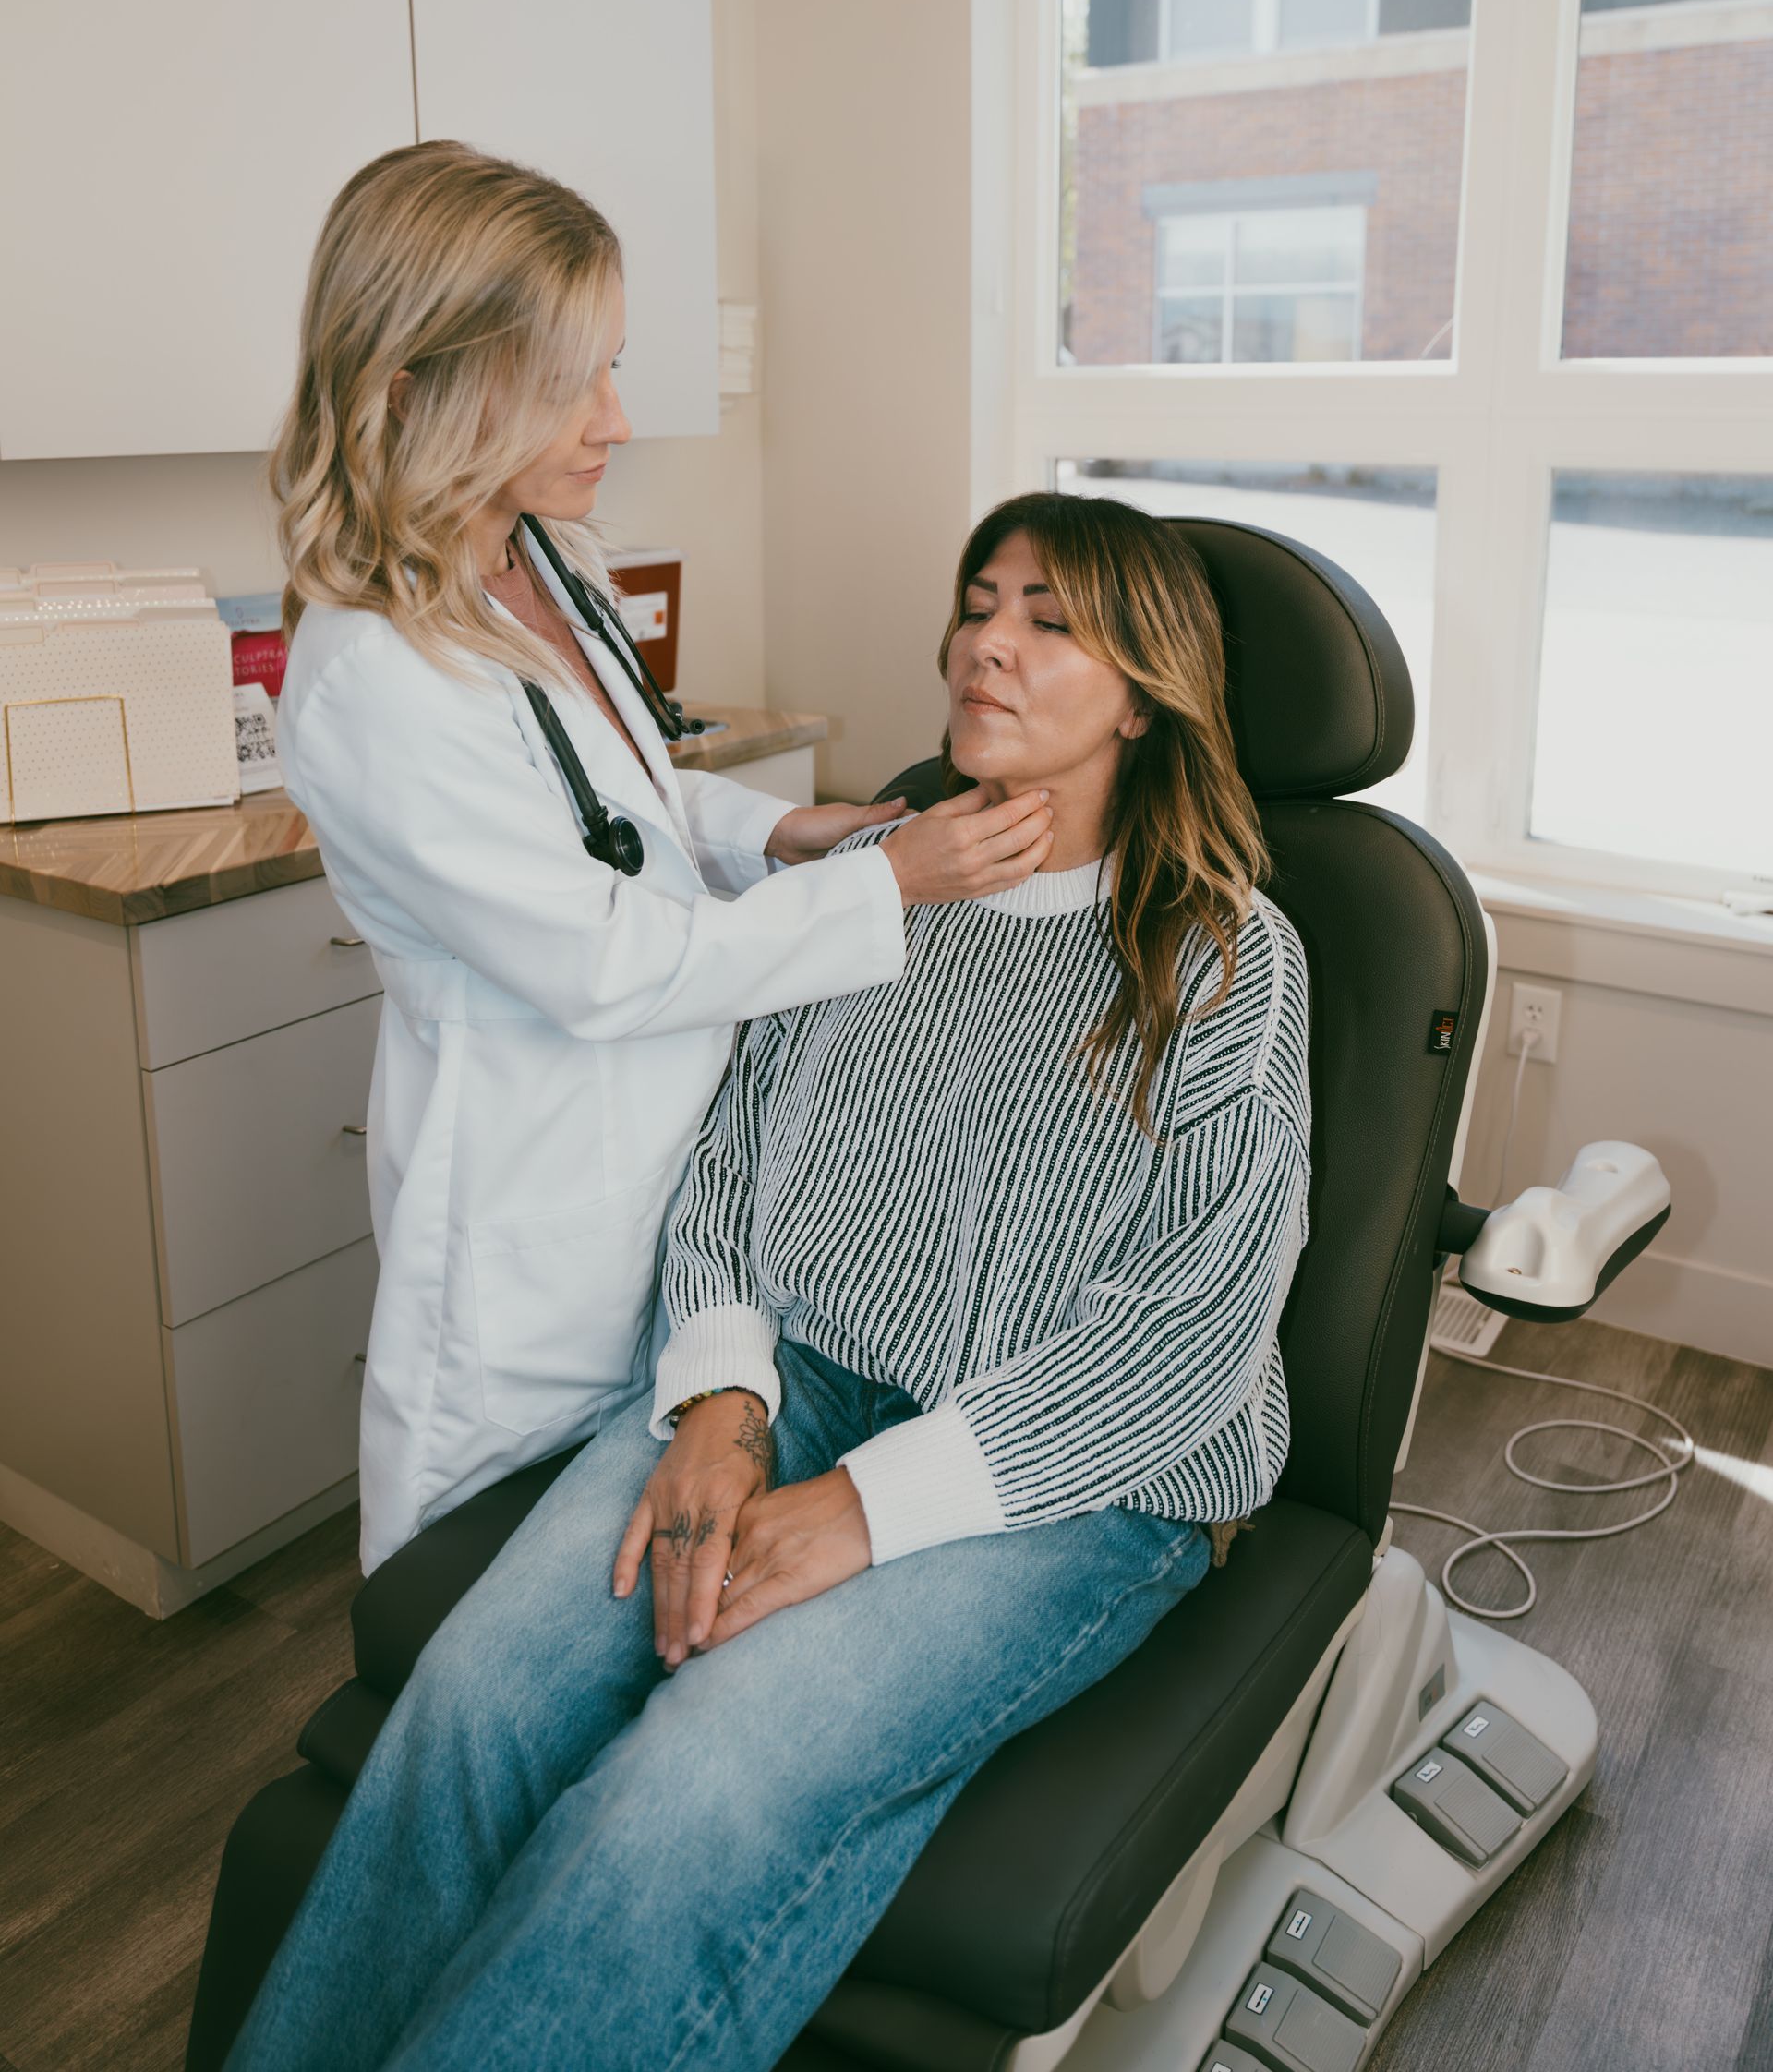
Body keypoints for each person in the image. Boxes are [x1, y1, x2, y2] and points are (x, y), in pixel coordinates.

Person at [227, 491, 1311, 2072]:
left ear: (1145, 692)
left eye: (1052, 621)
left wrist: (871, 1505)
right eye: (979, 603)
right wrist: (727, 1401)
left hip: (1078, 1480)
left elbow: (1190, 1340)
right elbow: (729, 1157)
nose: (986, 644)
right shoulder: (885, 881)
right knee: (470, 1699)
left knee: (702, 1782)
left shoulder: (1226, 958)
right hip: (794, 1381)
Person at [270, 143, 1055, 1572]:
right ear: (415, 385)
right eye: (573, 383)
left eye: (612, 369)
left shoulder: (538, 558)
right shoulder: (370, 676)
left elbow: (616, 809)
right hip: (538, 1239)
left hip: (690, 1214)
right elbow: (612, 959)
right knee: (494, 1611)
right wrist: (889, 881)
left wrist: (794, 830)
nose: (616, 421)